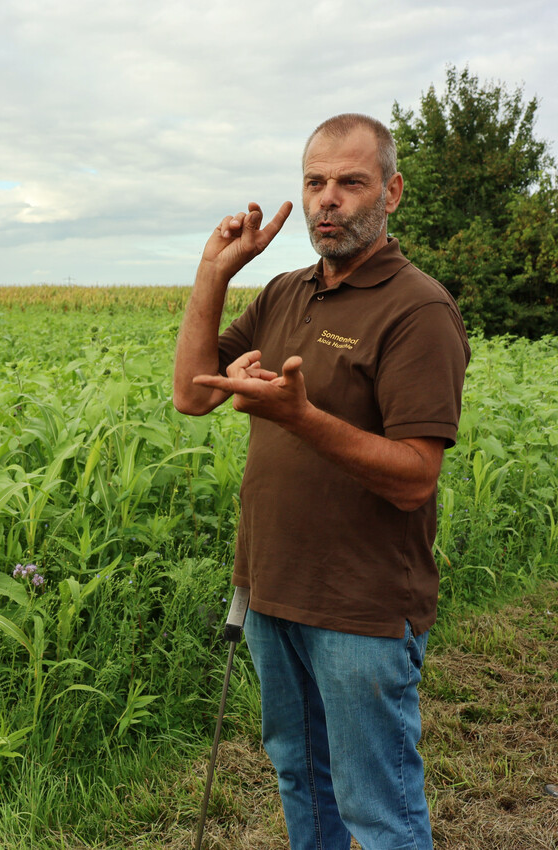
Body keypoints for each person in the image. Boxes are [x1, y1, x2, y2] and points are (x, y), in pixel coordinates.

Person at [173, 114, 471, 849]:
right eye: (315, 182)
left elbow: (414, 478)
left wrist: (301, 417)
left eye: (350, 182)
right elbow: (192, 392)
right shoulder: (284, 292)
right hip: (273, 591)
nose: (328, 199)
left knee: (380, 812)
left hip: (362, 610)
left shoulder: (418, 309)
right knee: (304, 782)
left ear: (392, 192)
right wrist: (215, 271)